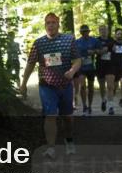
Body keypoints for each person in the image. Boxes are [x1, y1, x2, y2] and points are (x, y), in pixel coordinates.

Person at [19, 12, 82, 158]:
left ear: (58, 24)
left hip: (65, 85)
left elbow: (78, 60)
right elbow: (30, 64)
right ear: (45, 25)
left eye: (53, 22)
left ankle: (69, 140)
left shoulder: (69, 40)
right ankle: (51, 148)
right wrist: (23, 83)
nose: (51, 25)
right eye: (48, 23)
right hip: (47, 86)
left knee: (67, 117)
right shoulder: (39, 43)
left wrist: (72, 71)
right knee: (50, 115)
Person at [73, 24, 101, 114]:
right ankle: (84, 105)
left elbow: (101, 50)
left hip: (91, 67)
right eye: (83, 31)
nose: (85, 33)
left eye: (87, 31)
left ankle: (90, 106)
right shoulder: (77, 42)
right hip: (81, 67)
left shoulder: (94, 41)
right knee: (83, 86)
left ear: (89, 32)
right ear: (81, 33)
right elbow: (73, 54)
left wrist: (94, 51)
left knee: (91, 87)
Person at [95, 24, 116, 114]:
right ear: (99, 31)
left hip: (110, 65)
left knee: (110, 86)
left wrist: (106, 50)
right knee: (102, 86)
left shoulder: (112, 40)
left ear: (107, 31)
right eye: (101, 30)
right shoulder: (96, 40)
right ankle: (103, 100)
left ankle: (111, 106)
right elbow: (95, 50)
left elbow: (115, 50)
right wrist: (100, 51)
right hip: (100, 65)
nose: (103, 31)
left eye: (105, 29)